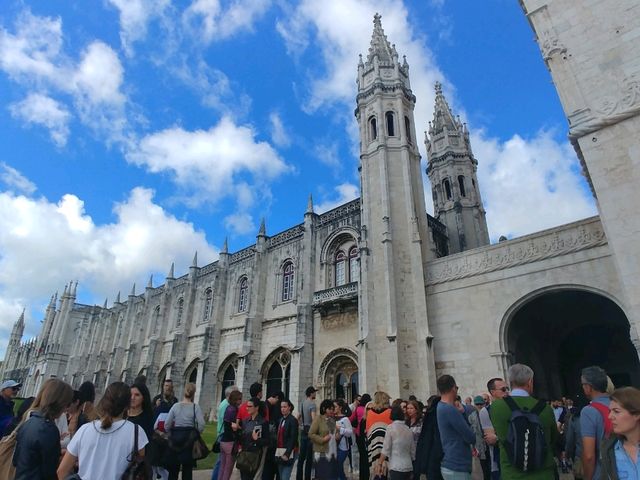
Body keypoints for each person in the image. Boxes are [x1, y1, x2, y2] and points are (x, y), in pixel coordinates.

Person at [58, 381, 149, 480]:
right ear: (127, 405)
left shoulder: (85, 429)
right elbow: (140, 468)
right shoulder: (136, 432)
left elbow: (62, 471)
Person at [490, 364, 557, 480]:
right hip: (543, 474)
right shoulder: (546, 409)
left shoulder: (496, 407)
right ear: (530, 382)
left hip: (512, 474)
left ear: (510, 381)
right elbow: (553, 439)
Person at [13, 378, 73, 480]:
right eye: (67, 404)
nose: (67, 409)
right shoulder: (49, 429)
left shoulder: (29, 422)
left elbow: (16, 460)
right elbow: (49, 472)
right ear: (60, 403)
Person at [436, 375, 475, 480]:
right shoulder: (450, 409)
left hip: (450, 462)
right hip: (457, 464)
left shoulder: (440, 406)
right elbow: (470, 437)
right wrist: (463, 414)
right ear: (453, 388)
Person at [165, 382, 206, 480]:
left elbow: (167, 424)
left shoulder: (176, 406)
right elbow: (202, 424)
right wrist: (196, 433)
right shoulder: (195, 407)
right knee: (187, 470)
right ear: (193, 393)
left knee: (173, 470)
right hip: (189, 440)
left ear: (184, 391)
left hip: (175, 439)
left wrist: (170, 433)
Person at [600, 387, 640, 480]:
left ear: (637, 414)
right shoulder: (609, 449)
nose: (610, 416)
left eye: (616, 411)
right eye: (610, 411)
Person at [580, 365, 610, 480]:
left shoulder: (589, 411)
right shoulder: (619, 404)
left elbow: (589, 456)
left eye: (583, 384)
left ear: (589, 387)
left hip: (602, 473)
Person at [479, 377, 509, 480]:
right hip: (499, 458)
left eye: (507, 389)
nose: (507, 392)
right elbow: (491, 440)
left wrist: (497, 437)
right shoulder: (485, 411)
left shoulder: (514, 407)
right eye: (503, 390)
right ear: (493, 392)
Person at [378, 405, 415, 480]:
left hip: (396, 466)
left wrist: (380, 463)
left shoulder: (390, 428)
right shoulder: (408, 429)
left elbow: (386, 449)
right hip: (408, 466)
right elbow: (413, 451)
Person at [238, 397, 270, 480]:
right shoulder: (245, 421)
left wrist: (257, 440)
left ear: (256, 408)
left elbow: (267, 441)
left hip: (255, 454)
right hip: (244, 453)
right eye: (247, 406)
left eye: (250, 406)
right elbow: (242, 437)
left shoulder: (263, 422)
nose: (247, 408)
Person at [212, 385, 240, 480]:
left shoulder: (225, 404)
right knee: (224, 465)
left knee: (222, 464)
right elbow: (230, 424)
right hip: (226, 436)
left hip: (224, 436)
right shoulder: (229, 407)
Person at [415, 395, 444, 480]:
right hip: (440, 457)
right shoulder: (436, 414)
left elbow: (425, 440)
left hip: (431, 457)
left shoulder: (430, 415)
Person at [309, 398, 338, 480]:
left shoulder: (332, 420)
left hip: (332, 452)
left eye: (333, 409)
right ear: (324, 409)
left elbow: (333, 434)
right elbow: (311, 434)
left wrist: (337, 436)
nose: (332, 411)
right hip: (321, 452)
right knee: (322, 475)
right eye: (330, 409)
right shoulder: (318, 419)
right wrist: (322, 439)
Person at [366, 391, 393, 478]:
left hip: (373, 446)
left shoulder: (369, 413)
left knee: (375, 473)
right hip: (387, 447)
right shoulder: (390, 412)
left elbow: (367, 431)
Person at [220, 390, 243, 480]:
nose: (241, 401)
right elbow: (234, 427)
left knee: (222, 468)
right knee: (228, 470)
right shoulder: (234, 410)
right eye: (239, 399)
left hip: (223, 441)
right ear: (235, 400)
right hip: (230, 443)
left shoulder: (228, 408)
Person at [296, 386, 318, 480]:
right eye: (314, 392)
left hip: (303, 431)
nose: (315, 394)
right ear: (311, 393)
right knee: (309, 458)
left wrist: (300, 425)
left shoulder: (302, 403)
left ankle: (298, 477)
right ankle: (307, 477)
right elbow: (313, 419)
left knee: (301, 458)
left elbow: (298, 416)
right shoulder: (312, 404)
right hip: (310, 432)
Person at [263, 390, 285, 480]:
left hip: (270, 442)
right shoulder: (273, 407)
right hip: (274, 442)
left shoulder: (268, 405)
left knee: (269, 467)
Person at [276, 399, 298, 480]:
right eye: (281, 407)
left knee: (285, 476)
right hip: (280, 450)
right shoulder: (281, 420)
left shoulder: (293, 420)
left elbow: (293, 438)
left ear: (289, 407)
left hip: (289, 451)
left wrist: (287, 454)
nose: (282, 409)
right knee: (281, 475)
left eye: (285, 407)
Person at [468, 396, 490, 480]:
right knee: (483, 466)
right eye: (477, 404)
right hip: (479, 445)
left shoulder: (488, 413)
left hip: (489, 443)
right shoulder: (472, 416)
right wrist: (473, 447)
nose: (479, 406)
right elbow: (471, 432)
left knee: (490, 466)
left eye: (481, 404)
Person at [353, 393, 371, 480]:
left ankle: (362, 476)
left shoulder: (358, 408)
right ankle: (367, 474)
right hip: (366, 434)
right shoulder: (368, 410)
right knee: (367, 456)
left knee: (362, 455)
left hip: (358, 434)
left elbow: (352, 419)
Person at [334, 398, 353, 480]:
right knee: (336, 467)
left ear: (340, 408)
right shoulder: (331, 418)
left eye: (335, 406)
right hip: (332, 447)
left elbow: (350, 433)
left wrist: (340, 429)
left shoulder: (345, 419)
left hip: (343, 447)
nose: (333, 408)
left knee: (338, 464)